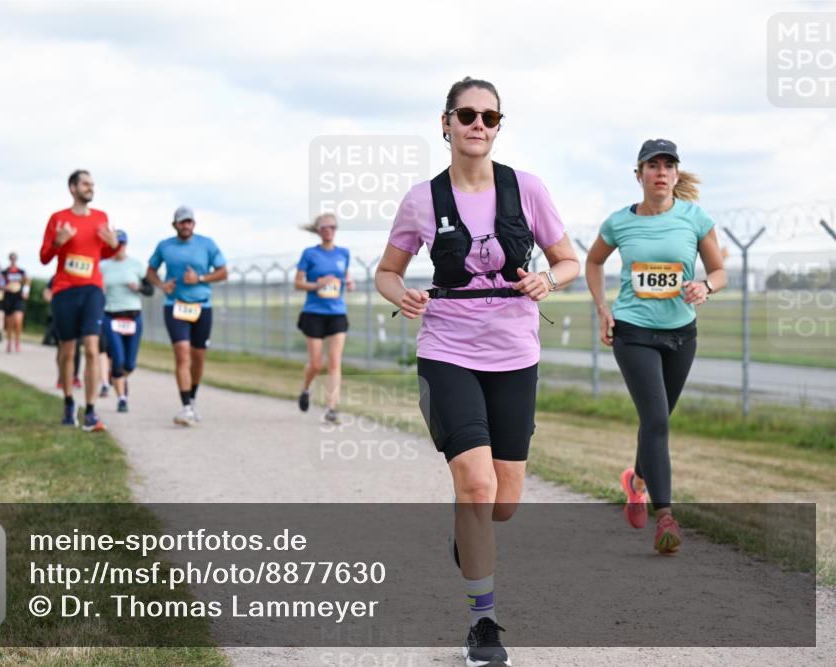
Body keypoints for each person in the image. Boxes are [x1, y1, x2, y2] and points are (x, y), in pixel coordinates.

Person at [375, 76, 579, 667]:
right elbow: (387, 271)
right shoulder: (421, 199)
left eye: (490, 117)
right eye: (466, 115)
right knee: (477, 483)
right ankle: (483, 625)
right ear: (445, 123)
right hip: (447, 352)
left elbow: (566, 259)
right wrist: (403, 292)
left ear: (498, 126)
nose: (478, 125)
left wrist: (550, 277)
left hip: (515, 355)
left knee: (504, 501)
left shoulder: (528, 189)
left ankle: (470, 535)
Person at [585, 139, 726, 555]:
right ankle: (666, 517)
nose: (661, 172)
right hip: (632, 332)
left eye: (668, 165)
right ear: (639, 175)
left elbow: (719, 271)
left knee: (658, 420)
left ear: (677, 175)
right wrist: (601, 309)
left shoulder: (695, 219)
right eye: (652, 165)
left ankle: (637, 481)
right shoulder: (618, 223)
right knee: (657, 420)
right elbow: (593, 262)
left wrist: (705, 286)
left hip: (682, 334)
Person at [39, 169, 122, 430]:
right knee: (67, 351)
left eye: (92, 184)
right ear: (72, 188)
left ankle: (91, 412)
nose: (91, 188)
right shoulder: (58, 219)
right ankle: (68, 403)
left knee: (92, 348)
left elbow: (106, 253)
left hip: (92, 290)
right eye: (86, 184)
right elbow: (44, 257)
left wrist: (114, 245)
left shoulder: (101, 218)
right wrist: (58, 242)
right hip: (65, 291)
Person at [145, 205, 227, 427]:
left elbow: (223, 272)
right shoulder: (164, 246)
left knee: (198, 357)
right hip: (175, 306)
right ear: (175, 225)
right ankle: (186, 407)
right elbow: (150, 271)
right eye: (182, 222)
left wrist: (199, 279)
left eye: (189, 221)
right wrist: (162, 285)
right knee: (182, 354)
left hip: (202, 306)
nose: (186, 225)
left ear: (194, 223)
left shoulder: (207, 244)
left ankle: (192, 398)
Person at [294, 213, 355, 423]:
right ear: (318, 231)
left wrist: (349, 283)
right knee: (316, 364)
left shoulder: (344, 253)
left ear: (335, 229)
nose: (328, 230)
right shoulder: (310, 254)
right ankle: (306, 388)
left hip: (337, 312)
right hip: (314, 313)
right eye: (324, 227)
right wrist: (317, 285)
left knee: (335, 361)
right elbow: (298, 283)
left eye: (332, 226)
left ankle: (331, 408)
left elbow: (345, 276)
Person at [100, 230, 150, 413]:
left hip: (133, 317)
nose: (118, 247)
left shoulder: (136, 265)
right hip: (111, 316)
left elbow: (150, 290)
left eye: (122, 244)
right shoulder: (103, 266)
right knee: (118, 359)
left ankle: (115, 375)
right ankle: (122, 398)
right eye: (116, 243)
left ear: (126, 244)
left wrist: (139, 287)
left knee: (130, 364)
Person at [2, 253, 30, 353]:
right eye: (11, 258)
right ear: (9, 259)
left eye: (14, 258)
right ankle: (9, 342)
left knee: (18, 321)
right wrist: (5, 287)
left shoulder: (21, 271)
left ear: (16, 259)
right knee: (9, 324)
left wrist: (26, 292)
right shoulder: (5, 272)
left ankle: (17, 342)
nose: (13, 260)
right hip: (8, 298)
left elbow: (27, 281)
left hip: (18, 298)